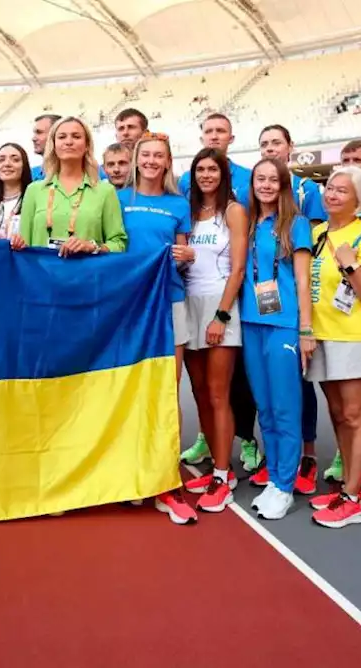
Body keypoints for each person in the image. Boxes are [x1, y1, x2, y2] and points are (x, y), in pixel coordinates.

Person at [115, 131, 197, 524]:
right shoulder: (117, 199)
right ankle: (132, 471)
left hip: (169, 300)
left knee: (168, 388)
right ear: (136, 159)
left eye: (158, 156)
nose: (150, 161)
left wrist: (186, 254)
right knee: (129, 387)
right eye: (144, 154)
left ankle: (167, 475)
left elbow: (183, 254)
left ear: (166, 163)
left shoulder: (178, 204)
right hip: (128, 305)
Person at [305, 166, 361, 529]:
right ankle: (346, 487)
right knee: (339, 415)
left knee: (357, 416)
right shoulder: (317, 233)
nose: (332, 195)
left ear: (359, 201)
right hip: (321, 335)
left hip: (352, 337)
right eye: (330, 188)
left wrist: (351, 265)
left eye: (342, 191)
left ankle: (354, 495)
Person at [178, 113, 256, 474]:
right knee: (198, 396)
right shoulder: (188, 213)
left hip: (219, 306)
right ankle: (213, 463)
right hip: (188, 302)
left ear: (224, 174)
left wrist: (222, 315)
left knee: (217, 393)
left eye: (213, 170)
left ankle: (224, 473)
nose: (206, 176)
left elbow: (238, 268)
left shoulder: (235, 211)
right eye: (200, 170)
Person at [240, 158, 314, 520]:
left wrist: (305, 330)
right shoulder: (248, 223)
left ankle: (285, 484)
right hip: (250, 322)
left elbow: (303, 280)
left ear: (283, 184)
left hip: (284, 325)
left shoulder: (296, 224)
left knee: (286, 408)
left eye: (273, 180)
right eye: (260, 179)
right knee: (265, 407)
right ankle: (275, 476)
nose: (266, 185)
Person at [257, 123, 326, 491]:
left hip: (288, 318)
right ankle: (278, 461)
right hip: (257, 316)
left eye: (276, 143)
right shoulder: (250, 216)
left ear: (289, 147)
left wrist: (305, 326)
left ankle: (304, 458)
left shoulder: (305, 196)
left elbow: (303, 270)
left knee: (294, 394)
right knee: (267, 398)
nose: (270, 149)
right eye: (264, 144)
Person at [15, 116, 126, 255]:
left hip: (85, 274)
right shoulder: (34, 190)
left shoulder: (105, 191)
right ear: (53, 145)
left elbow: (119, 244)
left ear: (86, 145)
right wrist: (17, 244)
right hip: (42, 274)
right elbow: (24, 245)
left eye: (76, 136)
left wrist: (91, 247)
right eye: (62, 137)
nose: (69, 142)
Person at [0, 142, 32, 240]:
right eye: (1, 160)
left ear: (24, 166)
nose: (7, 164)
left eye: (15, 160)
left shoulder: (33, 202)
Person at [29, 113, 61, 181]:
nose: (33, 139)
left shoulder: (77, 174)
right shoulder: (29, 175)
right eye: (34, 133)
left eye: (39, 132)